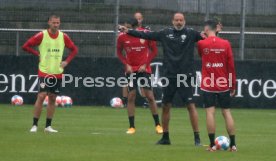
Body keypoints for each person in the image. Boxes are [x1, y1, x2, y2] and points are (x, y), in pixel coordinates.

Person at [119, 12, 202, 145]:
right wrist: (128, 31)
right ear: (172, 21)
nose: (179, 22)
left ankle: (197, 138)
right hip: (169, 76)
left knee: (190, 106)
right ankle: (165, 137)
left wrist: (216, 33)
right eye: (176, 20)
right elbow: (145, 35)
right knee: (166, 106)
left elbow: (207, 38)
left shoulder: (192, 33)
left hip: (185, 76)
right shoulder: (165, 33)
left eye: (181, 20)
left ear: (184, 21)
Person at [22, 14, 78, 133]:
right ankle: (34, 125)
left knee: (52, 98)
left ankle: (48, 126)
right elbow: (25, 46)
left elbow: (74, 49)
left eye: (58, 23)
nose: (56, 25)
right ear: (49, 22)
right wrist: (37, 54)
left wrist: (66, 61)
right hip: (44, 71)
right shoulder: (42, 35)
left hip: (57, 72)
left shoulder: (63, 36)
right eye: (53, 23)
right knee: (41, 96)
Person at [117, 18, 163, 134]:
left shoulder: (145, 35)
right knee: (131, 96)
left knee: (150, 96)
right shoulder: (122, 37)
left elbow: (154, 51)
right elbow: (119, 52)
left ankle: (158, 125)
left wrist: (145, 64)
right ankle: (132, 127)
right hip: (131, 71)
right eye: (125, 26)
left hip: (144, 70)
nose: (126, 29)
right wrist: (126, 64)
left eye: (128, 27)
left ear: (136, 27)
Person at [197, 19, 237, 152]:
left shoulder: (201, 43)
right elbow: (230, 66)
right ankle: (233, 145)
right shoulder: (226, 43)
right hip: (223, 83)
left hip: (208, 83)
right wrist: (232, 84)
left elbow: (201, 55)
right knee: (226, 112)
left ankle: (212, 145)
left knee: (210, 112)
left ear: (207, 30)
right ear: (217, 29)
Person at [121, 12, 151, 107]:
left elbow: (151, 46)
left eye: (139, 18)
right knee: (127, 81)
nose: (138, 20)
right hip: (130, 61)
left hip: (142, 61)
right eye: (136, 18)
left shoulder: (145, 31)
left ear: (142, 19)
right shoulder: (125, 31)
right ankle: (125, 100)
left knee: (143, 82)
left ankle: (146, 100)